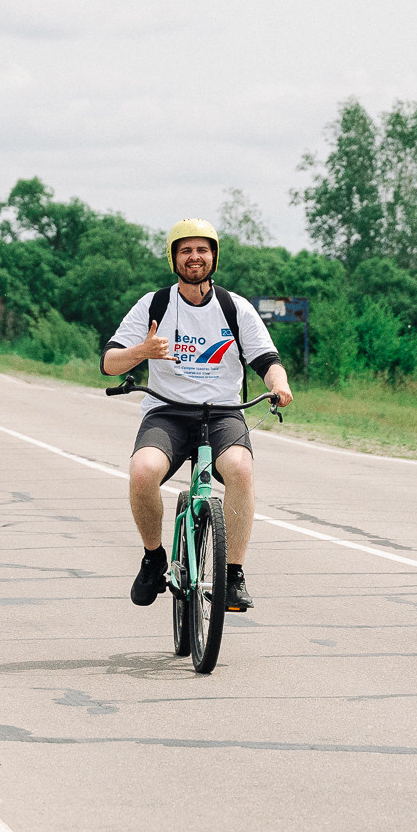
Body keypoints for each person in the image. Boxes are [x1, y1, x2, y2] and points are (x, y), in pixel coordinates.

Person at [101, 219, 292, 614]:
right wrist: (143, 351)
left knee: (240, 470)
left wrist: (280, 384)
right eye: (186, 250)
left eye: (202, 250)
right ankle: (154, 558)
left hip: (223, 413)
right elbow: (108, 362)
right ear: (174, 258)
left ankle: (233, 575)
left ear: (214, 257)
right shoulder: (153, 304)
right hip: (167, 412)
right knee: (142, 472)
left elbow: (267, 360)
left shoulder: (234, 307)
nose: (195, 257)